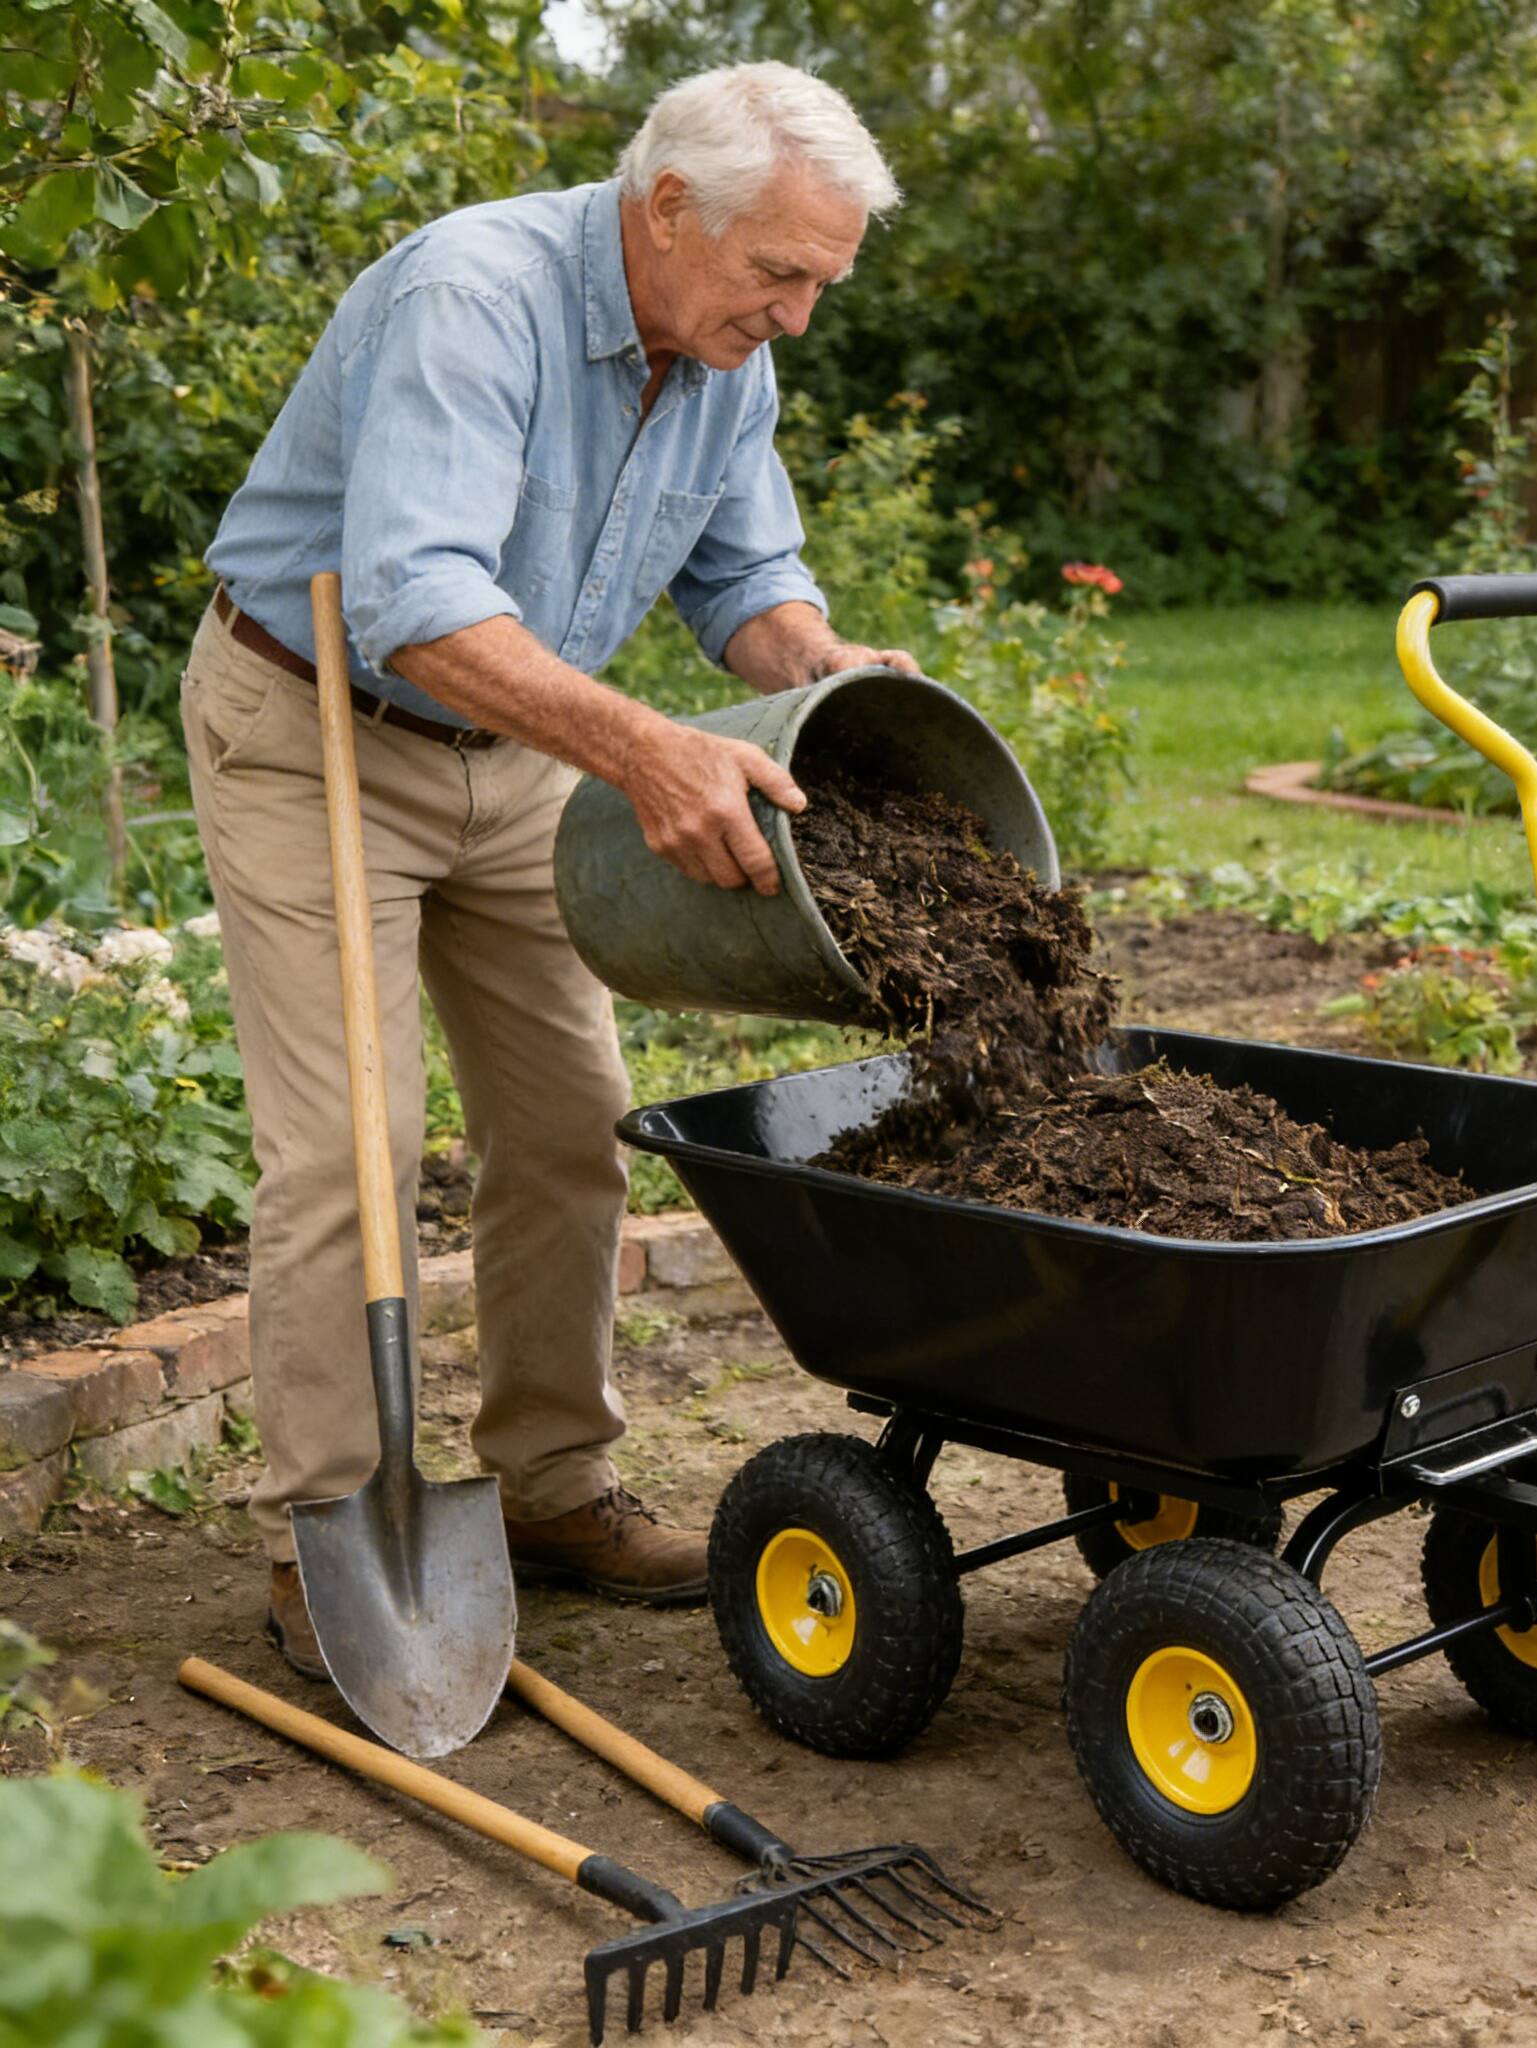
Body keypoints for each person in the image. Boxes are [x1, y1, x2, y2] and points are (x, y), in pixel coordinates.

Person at [183, 63, 913, 1679]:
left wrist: (818, 658)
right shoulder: (479, 297)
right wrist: (651, 750)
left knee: (574, 1118)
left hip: (520, 750)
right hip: (320, 724)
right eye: (777, 273)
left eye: (820, 282)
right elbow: (418, 604)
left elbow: (748, 575)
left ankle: (549, 1486)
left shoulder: (726, 355)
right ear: (667, 209)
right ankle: (339, 1527)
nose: (795, 314)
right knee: (348, 1158)